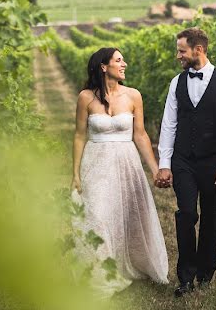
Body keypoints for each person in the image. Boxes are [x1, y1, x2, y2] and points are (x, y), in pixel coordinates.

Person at [71, 47, 169, 296]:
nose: (124, 64)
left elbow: (141, 134)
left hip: (126, 162)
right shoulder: (85, 97)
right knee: (99, 215)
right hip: (96, 162)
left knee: (128, 216)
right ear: (104, 67)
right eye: (118, 60)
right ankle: (101, 273)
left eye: (123, 59)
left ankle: (132, 263)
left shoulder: (133, 95)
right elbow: (80, 136)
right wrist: (75, 172)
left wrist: (156, 169)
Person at [154, 27, 216, 297]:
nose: (178, 55)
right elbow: (168, 125)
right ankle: (185, 276)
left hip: (214, 161)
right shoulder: (176, 83)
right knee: (187, 213)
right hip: (183, 160)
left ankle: (206, 273)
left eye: (182, 50)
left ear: (198, 50)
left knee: (212, 217)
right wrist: (164, 163)